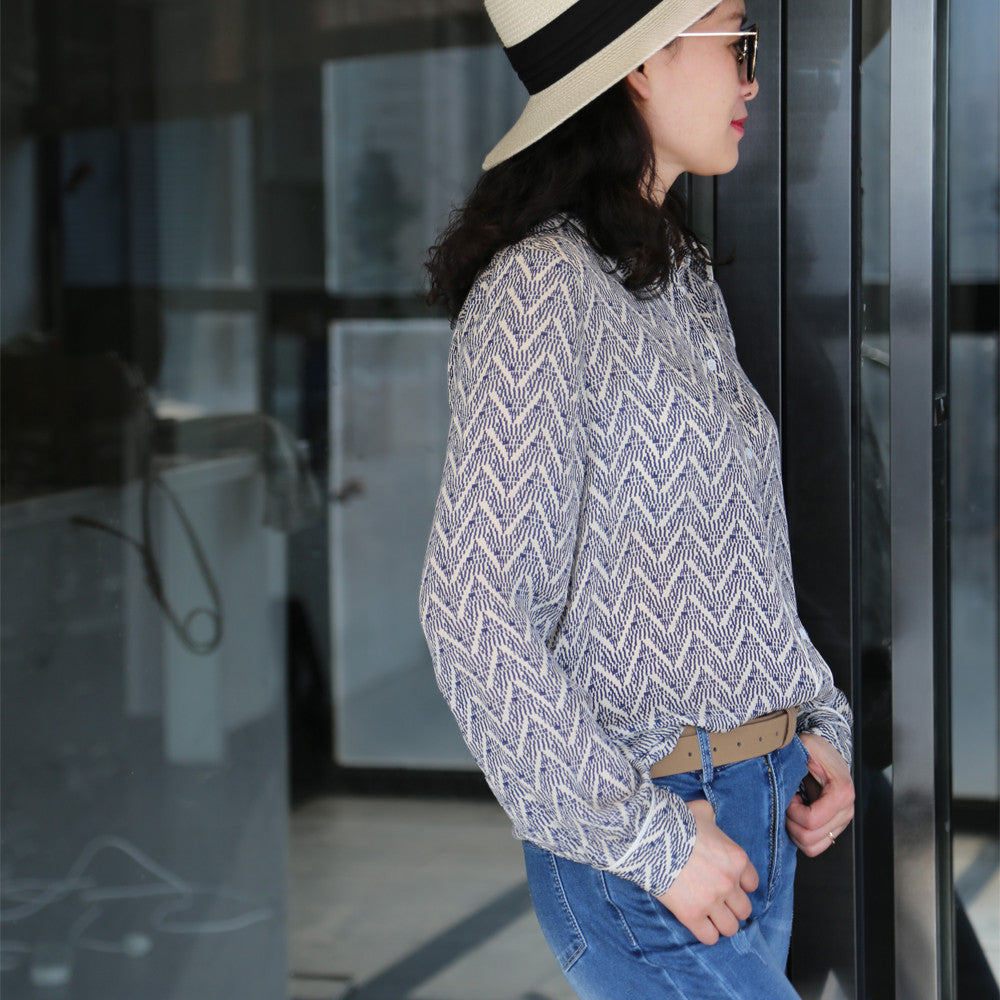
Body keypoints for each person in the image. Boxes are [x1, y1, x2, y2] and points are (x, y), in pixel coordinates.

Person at [418, 1, 855, 996]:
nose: (752, 77)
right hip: (652, 845)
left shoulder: (672, 278)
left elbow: (724, 560)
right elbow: (472, 610)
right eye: (735, 40)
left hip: (752, 811)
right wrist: (647, 841)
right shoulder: (541, 291)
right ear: (639, 66)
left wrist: (812, 724)